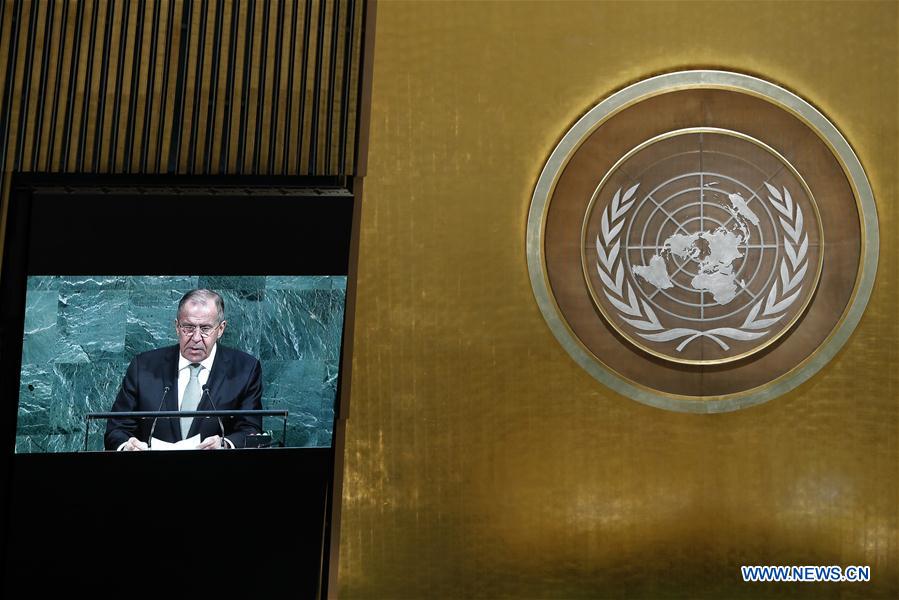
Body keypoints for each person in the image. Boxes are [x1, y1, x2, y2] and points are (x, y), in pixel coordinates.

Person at [105, 289, 263, 450]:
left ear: (221, 329)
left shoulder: (245, 370)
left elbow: (251, 430)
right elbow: (117, 428)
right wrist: (127, 446)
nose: (196, 338)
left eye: (205, 328)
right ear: (177, 327)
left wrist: (225, 445)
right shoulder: (144, 366)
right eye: (188, 327)